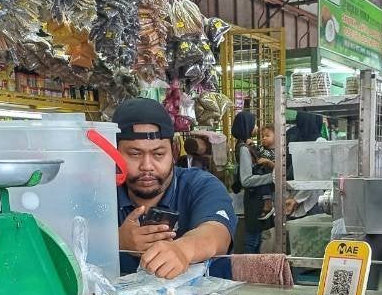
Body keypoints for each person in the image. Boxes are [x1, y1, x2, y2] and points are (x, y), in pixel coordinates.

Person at [114, 98, 236, 279]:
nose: (147, 166)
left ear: (174, 151)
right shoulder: (101, 193)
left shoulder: (201, 185)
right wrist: (116, 240)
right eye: (134, 154)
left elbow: (217, 232)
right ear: (114, 153)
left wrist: (182, 249)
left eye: (158, 154)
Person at [231, 112, 275, 254]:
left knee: (255, 237)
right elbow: (246, 179)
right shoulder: (244, 148)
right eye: (254, 124)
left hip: (255, 198)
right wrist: (271, 177)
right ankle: (248, 269)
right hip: (254, 199)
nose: (256, 127)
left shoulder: (245, 146)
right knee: (253, 238)